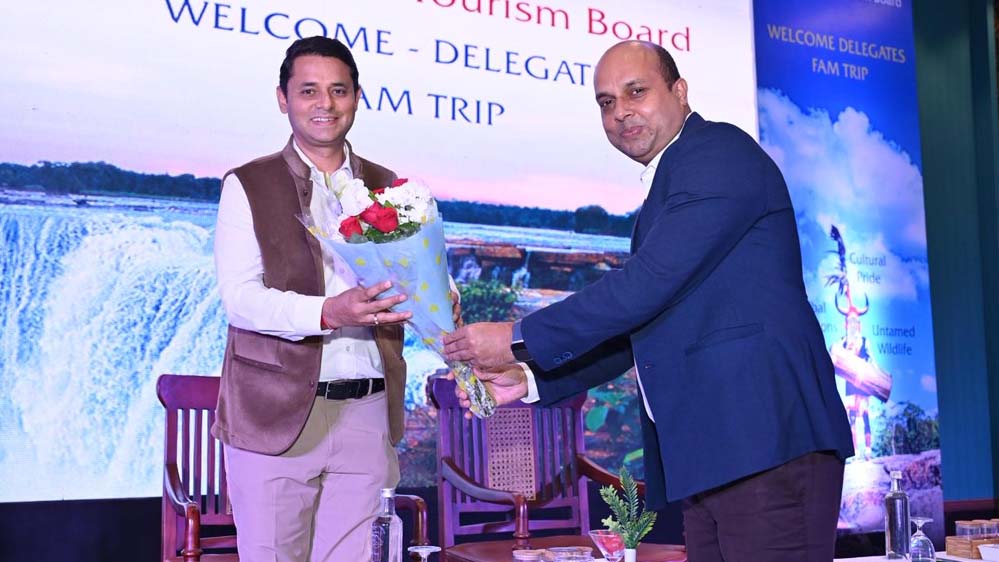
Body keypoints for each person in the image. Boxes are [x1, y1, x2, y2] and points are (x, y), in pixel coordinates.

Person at [443, 40, 854, 562]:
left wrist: (515, 337)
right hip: (715, 456)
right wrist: (530, 379)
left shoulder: (719, 152)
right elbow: (644, 323)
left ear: (679, 91)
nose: (620, 112)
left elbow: (645, 286)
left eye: (636, 92)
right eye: (606, 102)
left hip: (766, 445)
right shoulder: (670, 186)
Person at [212, 36, 446, 561]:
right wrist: (328, 312)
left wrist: (440, 297)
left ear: (357, 97)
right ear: (283, 99)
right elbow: (241, 299)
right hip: (274, 413)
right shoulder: (248, 184)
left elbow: (422, 275)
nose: (326, 104)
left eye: (339, 90)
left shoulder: (390, 186)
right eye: (309, 91)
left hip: (367, 409)